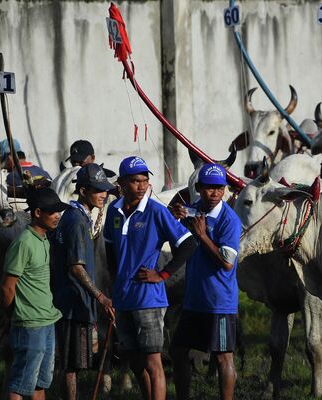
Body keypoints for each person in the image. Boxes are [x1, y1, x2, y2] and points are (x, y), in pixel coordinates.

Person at [103, 156, 197, 400]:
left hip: (148, 298)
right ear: (121, 183)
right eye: (135, 181)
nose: (142, 186)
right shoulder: (113, 211)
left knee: (153, 362)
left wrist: (162, 274)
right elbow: (109, 247)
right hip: (123, 298)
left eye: (145, 180)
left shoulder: (156, 211)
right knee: (134, 362)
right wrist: (116, 282)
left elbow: (188, 244)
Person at [169, 163, 242, 400]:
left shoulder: (229, 220)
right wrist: (176, 218)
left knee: (223, 357)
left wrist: (202, 236)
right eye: (210, 188)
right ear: (199, 188)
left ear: (225, 190)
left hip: (218, 301)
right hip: (194, 298)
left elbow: (228, 262)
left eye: (219, 189)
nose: (215, 194)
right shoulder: (193, 211)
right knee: (178, 351)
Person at [50, 163, 116, 400]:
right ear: (84, 190)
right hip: (72, 304)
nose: (104, 195)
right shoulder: (77, 220)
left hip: (74, 302)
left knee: (72, 364)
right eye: (99, 190)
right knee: (70, 365)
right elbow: (76, 266)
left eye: (105, 189)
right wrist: (100, 296)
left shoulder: (77, 216)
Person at [0, 187, 68, 400]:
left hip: (47, 320)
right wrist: (13, 315)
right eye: (52, 211)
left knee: (40, 382)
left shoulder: (44, 239)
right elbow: (7, 287)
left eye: (59, 211)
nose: (57, 215)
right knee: (21, 383)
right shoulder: (23, 243)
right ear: (38, 213)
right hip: (29, 324)